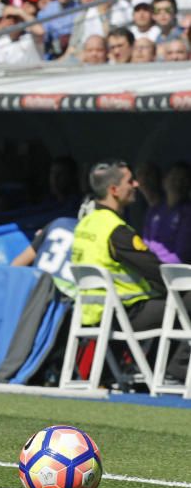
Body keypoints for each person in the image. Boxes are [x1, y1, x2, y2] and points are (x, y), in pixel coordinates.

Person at [70, 161, 188, 383]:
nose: (136, 184)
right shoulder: (116, 230)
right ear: (114, 190)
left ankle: (164, 367)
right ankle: (178, 369)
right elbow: (156, 270)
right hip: (126, 314)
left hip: (94, 313)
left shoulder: (85, 224)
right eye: (129, 181)